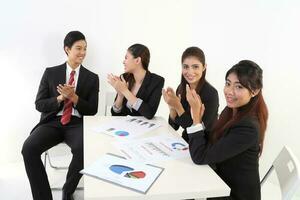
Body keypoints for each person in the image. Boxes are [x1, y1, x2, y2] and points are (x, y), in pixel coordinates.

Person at [22, 31, 99, 200]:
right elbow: (39, 104)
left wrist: (74, 98)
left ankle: (68, 190)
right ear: (67, 49)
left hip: (76, 123)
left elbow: (93, 109)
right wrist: (59, 98)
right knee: (28, 149)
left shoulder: (92, 78)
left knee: (83, 149)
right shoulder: (50, 73)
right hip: (53, 122)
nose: (83, 53)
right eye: (78, 48)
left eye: (85, 48)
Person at [186, 60, 268, 200]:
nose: (229, 92)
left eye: (239, 87)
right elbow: (214, 141)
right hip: (221, 182)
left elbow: (200, 157)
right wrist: (199, 121)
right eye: (228, 83)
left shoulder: (248, 127)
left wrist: (196, 120)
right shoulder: (233, 109)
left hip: (233, 195)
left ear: (254, 91)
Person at [163, 47, 219, 142]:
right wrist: (172, 107)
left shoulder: (211, 94)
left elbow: (195, 130)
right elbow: (174, 127)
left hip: (205, 144)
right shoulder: (181, 88)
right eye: (185, 67)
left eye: (195, 67)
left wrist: (178, 107)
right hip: (186, 141)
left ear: (204, 67)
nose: (190, 72)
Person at [108, 43, 164, 119]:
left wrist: (125, 91)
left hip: (145, 129)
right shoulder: (124, 77)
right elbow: (115, 114)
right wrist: (120, 95)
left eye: (126, 58)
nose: (123, 62)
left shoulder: (157, 81)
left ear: (137, 60)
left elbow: (149, 113)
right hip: (124, 128)